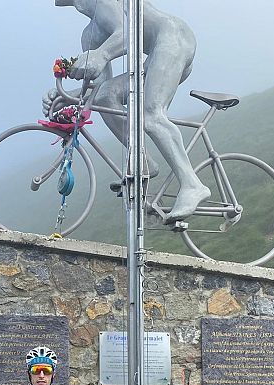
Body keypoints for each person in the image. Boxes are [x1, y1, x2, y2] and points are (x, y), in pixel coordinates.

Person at [49, 0, 210, 220]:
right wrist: (66, 96)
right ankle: (142, 161)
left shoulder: (104, 2)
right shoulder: (89, 35)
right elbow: (99, 88)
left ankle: (192, 185)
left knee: (151, 115)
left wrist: (101, 54)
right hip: (154, 55)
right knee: (106, 98)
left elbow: (127, 33)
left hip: (173, 39)